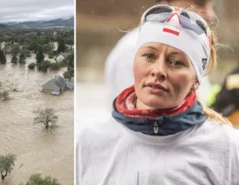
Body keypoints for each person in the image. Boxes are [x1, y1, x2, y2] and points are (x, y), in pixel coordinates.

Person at [77, 5, 239, 185]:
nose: (159, 70)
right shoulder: (85, 140)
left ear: (196, 81)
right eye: (149, 56)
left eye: (176, 62)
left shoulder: (227, 148)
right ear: (133, 62)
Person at [105, 0, 215, 107]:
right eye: (199, 4)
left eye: (176, 63)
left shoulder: (192, 51)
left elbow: (201, 107)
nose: (210, 14)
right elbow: (142, 113)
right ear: (164, 5)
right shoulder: (132, 49)